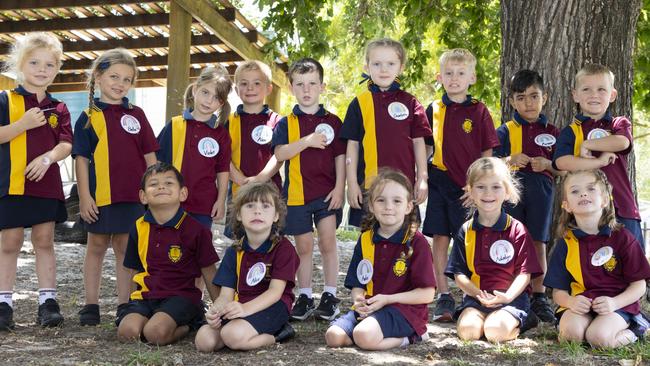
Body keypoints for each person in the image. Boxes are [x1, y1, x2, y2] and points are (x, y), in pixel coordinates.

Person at [72, 48, 159, 326]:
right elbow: (82, 161)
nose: (120, 84)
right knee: (96, 245)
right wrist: (84, 196)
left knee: (125, 248)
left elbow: (150, 157)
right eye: (114, 76)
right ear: (98, 77)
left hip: (132, 195)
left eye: (127, 79)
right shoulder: (88, 116)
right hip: (100, 195)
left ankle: (125, 303)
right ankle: (91, 304)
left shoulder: (138, 114)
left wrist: (154, 191)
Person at [0, 32, 72, 330]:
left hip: (45, 184)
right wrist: (22, 125)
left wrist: (47, 159)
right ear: (19, 64)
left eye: (49, 64)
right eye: (34, 62)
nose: (42, 69)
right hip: (12, 184)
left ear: (57, 69)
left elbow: (66, 144)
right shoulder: (5, 100)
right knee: (10, 243)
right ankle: (4, 303)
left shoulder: (59, 107)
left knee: (44, 241)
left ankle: (48, 302)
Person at [422, 48, 499, 321]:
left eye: (460, 74)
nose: (454, 79)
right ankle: (443, 295)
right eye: (449, 73)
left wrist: (478, 186)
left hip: (468, 187)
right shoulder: (432, 109)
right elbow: (423, 147)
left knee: (469, 239)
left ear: (472, 78)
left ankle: (472, 294)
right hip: (439, 182)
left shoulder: (479, 111)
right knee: (440, 237)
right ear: (439, 76)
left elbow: (487, 153)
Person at [325, 169, 435, 350]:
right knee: (333, 337)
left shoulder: (416, 241)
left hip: (404, 310)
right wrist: (358, 301)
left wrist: (387, 299)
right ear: (371, 205)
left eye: (397, 201)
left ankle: (414, 336)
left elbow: (427, 294)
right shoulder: (366, 238)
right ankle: (371, 333)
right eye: (381, 200)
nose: (388, 206)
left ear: (408, 207)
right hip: (371, 307)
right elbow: (357, 283)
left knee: (363, 336)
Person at [272, 58, 345, 321]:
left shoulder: (334, 121)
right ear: (291, 87)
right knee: (303, 246)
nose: (307, 89)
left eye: (312, 83)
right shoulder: (285, 123)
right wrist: (307, 141)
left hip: (327, 193)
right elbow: (280, 153)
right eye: (300, 84)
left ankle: (329, 295)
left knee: (327, 242)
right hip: (297, 196)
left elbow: (340, 158)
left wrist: (340, 189)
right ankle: (304, 295)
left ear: (322, 87)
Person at [544, 169, 650, 348]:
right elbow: (558, 292)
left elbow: (639, 285)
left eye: (591, 189)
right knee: (570, 336)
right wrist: (571, 302)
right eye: (575, 191)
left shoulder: (623, 237)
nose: (583, 193)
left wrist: (615, 302)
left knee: (599, 339)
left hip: (616, 304)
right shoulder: (566, 243)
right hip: (581, 303)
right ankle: (586, 327)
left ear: (605, 199)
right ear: (567, 205)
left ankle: (638, 328)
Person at [116, 163, 220, 344]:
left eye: (169, 183)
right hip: (147, 295)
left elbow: (209, 271)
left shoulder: (196, 230)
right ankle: (149, 321)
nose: (161, 187)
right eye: (153, 184)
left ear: (183, 193)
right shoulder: (139, 227)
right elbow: (133, 270)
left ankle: (191, 323)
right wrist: (129, 305)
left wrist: (220, 310)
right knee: (127, 332)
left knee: (155, 334)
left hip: (181, 296)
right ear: (143, 196)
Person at [445, 157, 542, 342]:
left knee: (495, 333)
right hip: (477, 297)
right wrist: (478, 294)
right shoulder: (466, 230)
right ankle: (487, 319)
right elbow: (459, 274)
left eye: (496, 187)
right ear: (470, 191)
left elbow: (525, 273)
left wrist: (507, 297)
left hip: (510, 298)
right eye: (481, 187)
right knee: (468, 333)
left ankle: (524, 319)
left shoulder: (516, 229)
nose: (488, 192)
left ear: (507, 191)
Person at [195, 182, 299, 352]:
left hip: (273, 305)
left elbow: (275, 293)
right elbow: (226, 295)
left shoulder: (283, 248)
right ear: (238, 215)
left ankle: (278, 335)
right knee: (204, 341)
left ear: (275, 216)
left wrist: (244, 309)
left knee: (232, 336)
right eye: (250, 205)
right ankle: (238, 331)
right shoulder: (234, 251)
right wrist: (217, 309)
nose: (257, 211)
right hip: (240, 306)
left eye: (265, 206)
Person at [340, 38, 431, 228]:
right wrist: (352, 183)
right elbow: (352, 146)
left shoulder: (411, 103)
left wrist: (422, 178)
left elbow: (418, 143)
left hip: (403, 186)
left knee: (407, 239)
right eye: (377, 64)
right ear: (367, 67)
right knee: (369, 239)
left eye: (390, 64)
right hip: (368, 186)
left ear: (401, 68)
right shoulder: (359, 103)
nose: (384, 69)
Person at [494, 70, 562, 324]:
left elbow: (561, 168)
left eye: (534, 96)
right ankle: (514, 293)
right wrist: (508, 160)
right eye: (521, 98)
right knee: (512, 241)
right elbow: (489, 164)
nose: (529, 103)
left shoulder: (554, 132)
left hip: (542, 194)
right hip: (512, 195)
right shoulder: (504, 131)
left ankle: (540, 296)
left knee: (538, 242)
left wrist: (547, 164)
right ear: (512, 101)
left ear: (545, 98)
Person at [554, 64, 643, 249]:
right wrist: (598, 162)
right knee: (594, 265)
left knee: (632, 263)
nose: (594, 95)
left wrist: (588, 144)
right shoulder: (571, 131)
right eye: (586, 89)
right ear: (575, 95)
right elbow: (562, 162)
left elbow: (622, 142)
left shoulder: (619, 123)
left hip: (622, 207)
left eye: (601, 89)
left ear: (612, 95)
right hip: (586, 210)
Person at [157, 65, 232, 229]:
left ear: (222, 103)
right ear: (195, 90)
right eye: (205, 92)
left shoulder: (221, 134)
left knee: (198, 251)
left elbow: (223, 170)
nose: (209, 100)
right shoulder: (175, 125)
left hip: (203, 206)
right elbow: (157, 163)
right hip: (171, 203)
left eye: (216, 97)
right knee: (170, 250)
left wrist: (221, 201)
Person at [224, 60, 282, 238]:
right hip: (237, 191)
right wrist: (240, 180)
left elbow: (279, 156)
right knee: (239, 239)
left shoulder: (278, 121)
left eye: (257, 83)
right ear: (236, 89)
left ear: (268, 88)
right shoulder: (229, 122)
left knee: (269, 239)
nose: (250, 88)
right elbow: (223, 157)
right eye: (244, 83)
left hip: (269, 191)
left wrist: (260, 178)